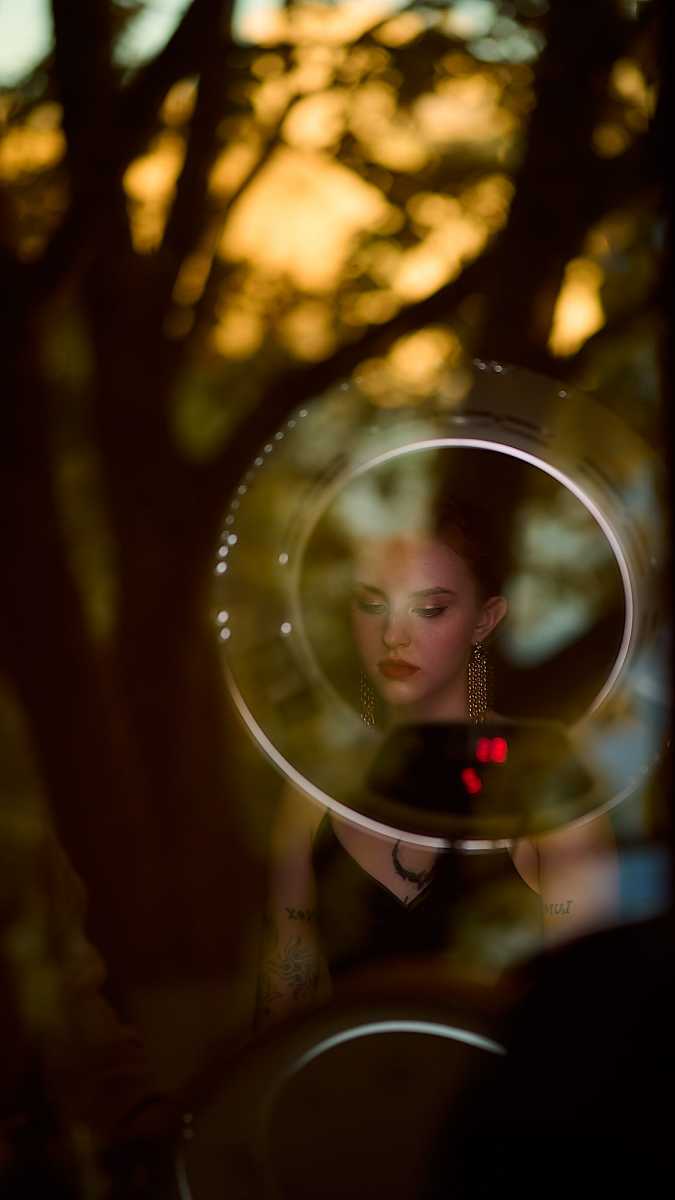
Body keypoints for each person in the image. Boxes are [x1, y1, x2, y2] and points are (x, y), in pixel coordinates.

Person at [255, 490, 618, 1030]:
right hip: (355, 1071)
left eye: (430, 609)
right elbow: (288, 978)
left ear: (485, 619)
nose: (393, 635)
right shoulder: (320, 785)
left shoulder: (541, 769)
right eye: (372, 604)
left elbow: (587, 986)